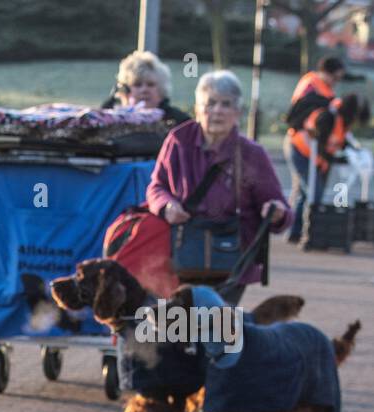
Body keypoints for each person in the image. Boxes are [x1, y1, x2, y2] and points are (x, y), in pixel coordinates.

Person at [146, 70, 291, 307]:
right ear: (197, 108)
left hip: (232, 260)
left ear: (238, 112)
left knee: (215, 333)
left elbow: (280, 207)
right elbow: (156, 186)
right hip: (183, 255)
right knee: (180, 331)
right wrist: (166, 205)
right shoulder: (178, 140)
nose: (217, 111)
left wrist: (276, 212)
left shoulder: (252, 154)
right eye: (210, 103)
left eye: (226, 104)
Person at [285, 56, 347, 242]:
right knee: (313, 191)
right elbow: (300, 115)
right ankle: (308, 233)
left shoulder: (325, 90)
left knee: (305, 192)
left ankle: (296, 233)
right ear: (326, 73)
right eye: (335, 78)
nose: (336, 82)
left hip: (308, 149)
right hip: (299, 146)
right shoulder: (312, 87)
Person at [101, 50, 191, 128]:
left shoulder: (180, 121)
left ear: (161, 88)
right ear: (125, 90)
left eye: (150, 85)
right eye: (137, 85)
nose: (144, 90)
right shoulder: (113, 118)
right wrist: (112, 99)